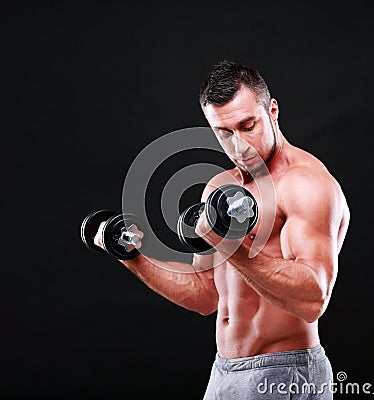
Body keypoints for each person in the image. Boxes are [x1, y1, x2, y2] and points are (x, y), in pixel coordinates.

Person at [95, 60, 350, 399]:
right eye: (225, 133)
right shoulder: (220, 186)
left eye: (248, 126)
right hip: (225, 372)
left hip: (284, 373)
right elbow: (205, 296)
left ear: (272, 111)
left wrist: (232, 247)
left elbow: (313, 300)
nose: (239, 145)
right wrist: (131, 256)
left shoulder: (305, 185)